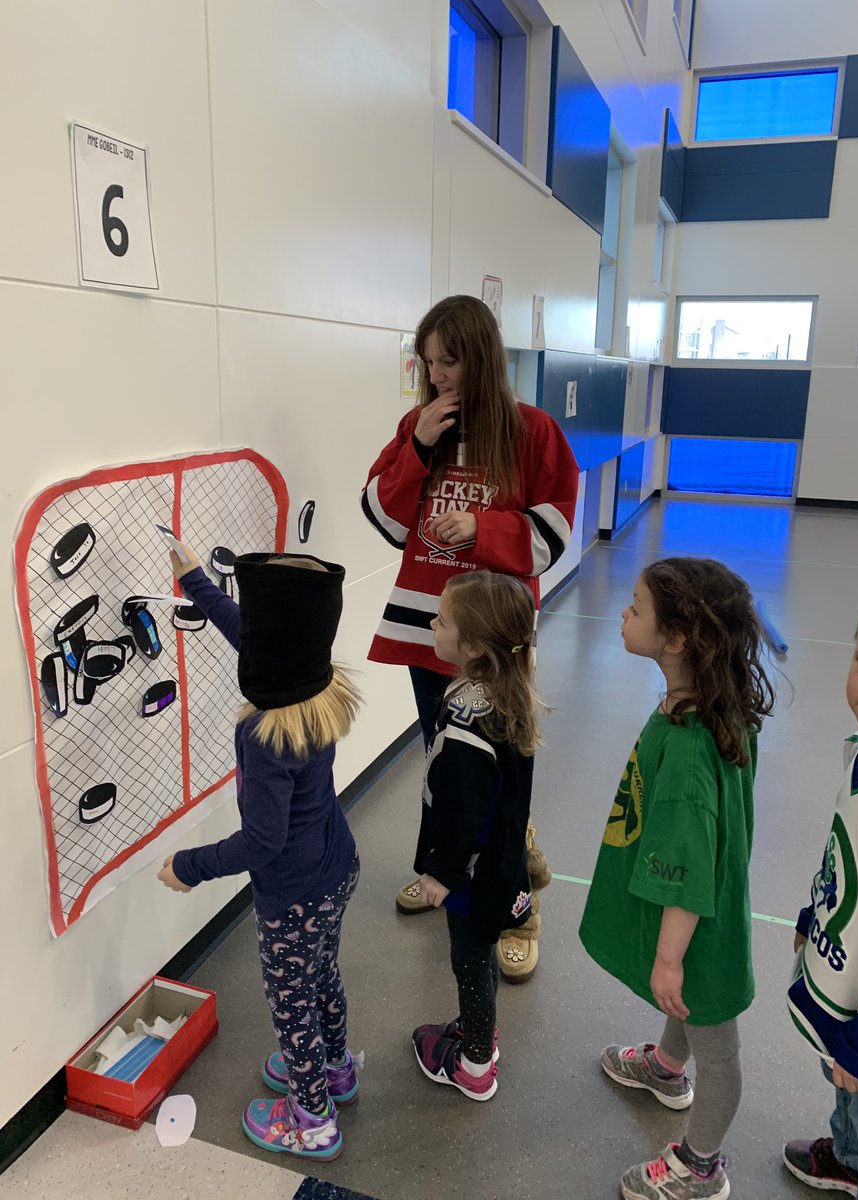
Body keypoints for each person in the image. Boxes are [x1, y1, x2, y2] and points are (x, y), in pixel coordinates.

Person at [361, 293, 578, 981]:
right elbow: (384, 518)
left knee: (505, 771)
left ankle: (517, 907)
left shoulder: (533, 431)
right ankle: (441, 873)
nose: (438, 376)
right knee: (443, 761)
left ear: (480, 355)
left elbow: (553, 535)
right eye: (428, 364)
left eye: (449, 361)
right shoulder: (418, 424)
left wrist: (483, 532)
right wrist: (418, 443)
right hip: (434, 628)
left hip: (495, 638)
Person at [579, 557, 776, 1200]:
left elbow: (687, 872)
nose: (623, 615)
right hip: (707, 911)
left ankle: (702, 1164)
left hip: (702, 925)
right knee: (685, 1005)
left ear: (676, 638)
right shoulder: (715, 704)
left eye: (635, 608)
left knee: (716, 1045)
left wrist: (667, 957)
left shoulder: (691, 751)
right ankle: (666, 1069)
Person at [157, 547, 362, 1161]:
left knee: (291, 999)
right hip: (335, 868)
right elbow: (247, 631)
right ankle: (336, 1071)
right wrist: (195, 579)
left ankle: (312, 1120)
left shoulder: (265, 735)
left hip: (292, 892)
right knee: (321, 973)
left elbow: (263, 841)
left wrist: (188, 868)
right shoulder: (316, 689)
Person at [782, 586, 858, 1198]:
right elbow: (844, 851)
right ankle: (846, 1157)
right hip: (852, 985)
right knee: (840, 1073)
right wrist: (812, 911)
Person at [410, 571, 542, 1099]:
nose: (432, 625)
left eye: (442, 621)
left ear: (474, 644)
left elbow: (466, 809)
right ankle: (481, 1029)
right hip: (501, 861)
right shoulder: (507, 694)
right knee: (482, 952)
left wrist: (442, 871)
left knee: (469, 958)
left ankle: (475, 1065)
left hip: (472, 873)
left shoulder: (469, 718)